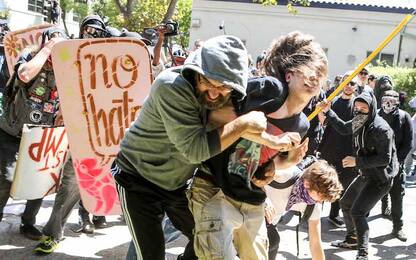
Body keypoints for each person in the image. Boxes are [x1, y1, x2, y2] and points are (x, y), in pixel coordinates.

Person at [112, 35, 286, 260]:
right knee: (150, 253)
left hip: (177, 185)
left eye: (222, 86)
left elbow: (240, 140)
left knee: (208, 236)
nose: (213, 93)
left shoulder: (230, 97)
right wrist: (242, 123)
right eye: (206, 82)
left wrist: (270, 154)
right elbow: (194, 150)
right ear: (194, 72)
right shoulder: (171, 86)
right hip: (137, 179)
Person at [0, 27, 67, 240]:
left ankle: (28, 223)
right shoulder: (30, 56)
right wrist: (47, 49)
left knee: (38, 183)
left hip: (42, 136)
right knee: (6, 180)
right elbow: (24, 74)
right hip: (12, 132)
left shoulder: (64, 68)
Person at [319, 91, 398, 260]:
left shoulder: (381, 129)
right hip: (365, 173)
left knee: (358, 212)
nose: (359, 111)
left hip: (380, 178)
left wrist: (357, 161)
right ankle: (352, 239)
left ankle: (363, 253)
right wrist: (328, 111)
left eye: (364, 108)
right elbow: (343, 128)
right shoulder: (360, 120)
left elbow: (384, 159)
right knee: (346, 203)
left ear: (372, 109)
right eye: (357, 107)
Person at [265, 160, 343, 260]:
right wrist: (263, 200)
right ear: (307, 183)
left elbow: (315, 242)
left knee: (272, 242)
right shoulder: (282, 174)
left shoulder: (313, 204)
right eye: (320, 197)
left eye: (323, 200)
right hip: (249, 211)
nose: (319, 202)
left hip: (269, 224)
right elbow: (251, 177)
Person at [319, 72, 359, 228]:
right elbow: (324, 123)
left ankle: (334, 214)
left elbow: (346, 128)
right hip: (329, 148)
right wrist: (321, 112)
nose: (349, 86)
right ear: (342, 83)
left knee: (341, 184)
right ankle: (314, 211)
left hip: (347, 151)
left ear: (356, 86)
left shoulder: (358, 104)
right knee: (324, 181)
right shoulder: (333, 101)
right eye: (346, 82)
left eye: (352, 83)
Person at [378, 90, 413, 241]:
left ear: (398, 101)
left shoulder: (404, 117)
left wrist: (397, 162)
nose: (388, 103)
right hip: (376, 163)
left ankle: (398, 227)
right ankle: (358, 225)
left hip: (396, 163)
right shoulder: (376, 114)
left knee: (397, 195)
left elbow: (408, 143)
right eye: (386, 99)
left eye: (392, 100)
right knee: (369, 191)